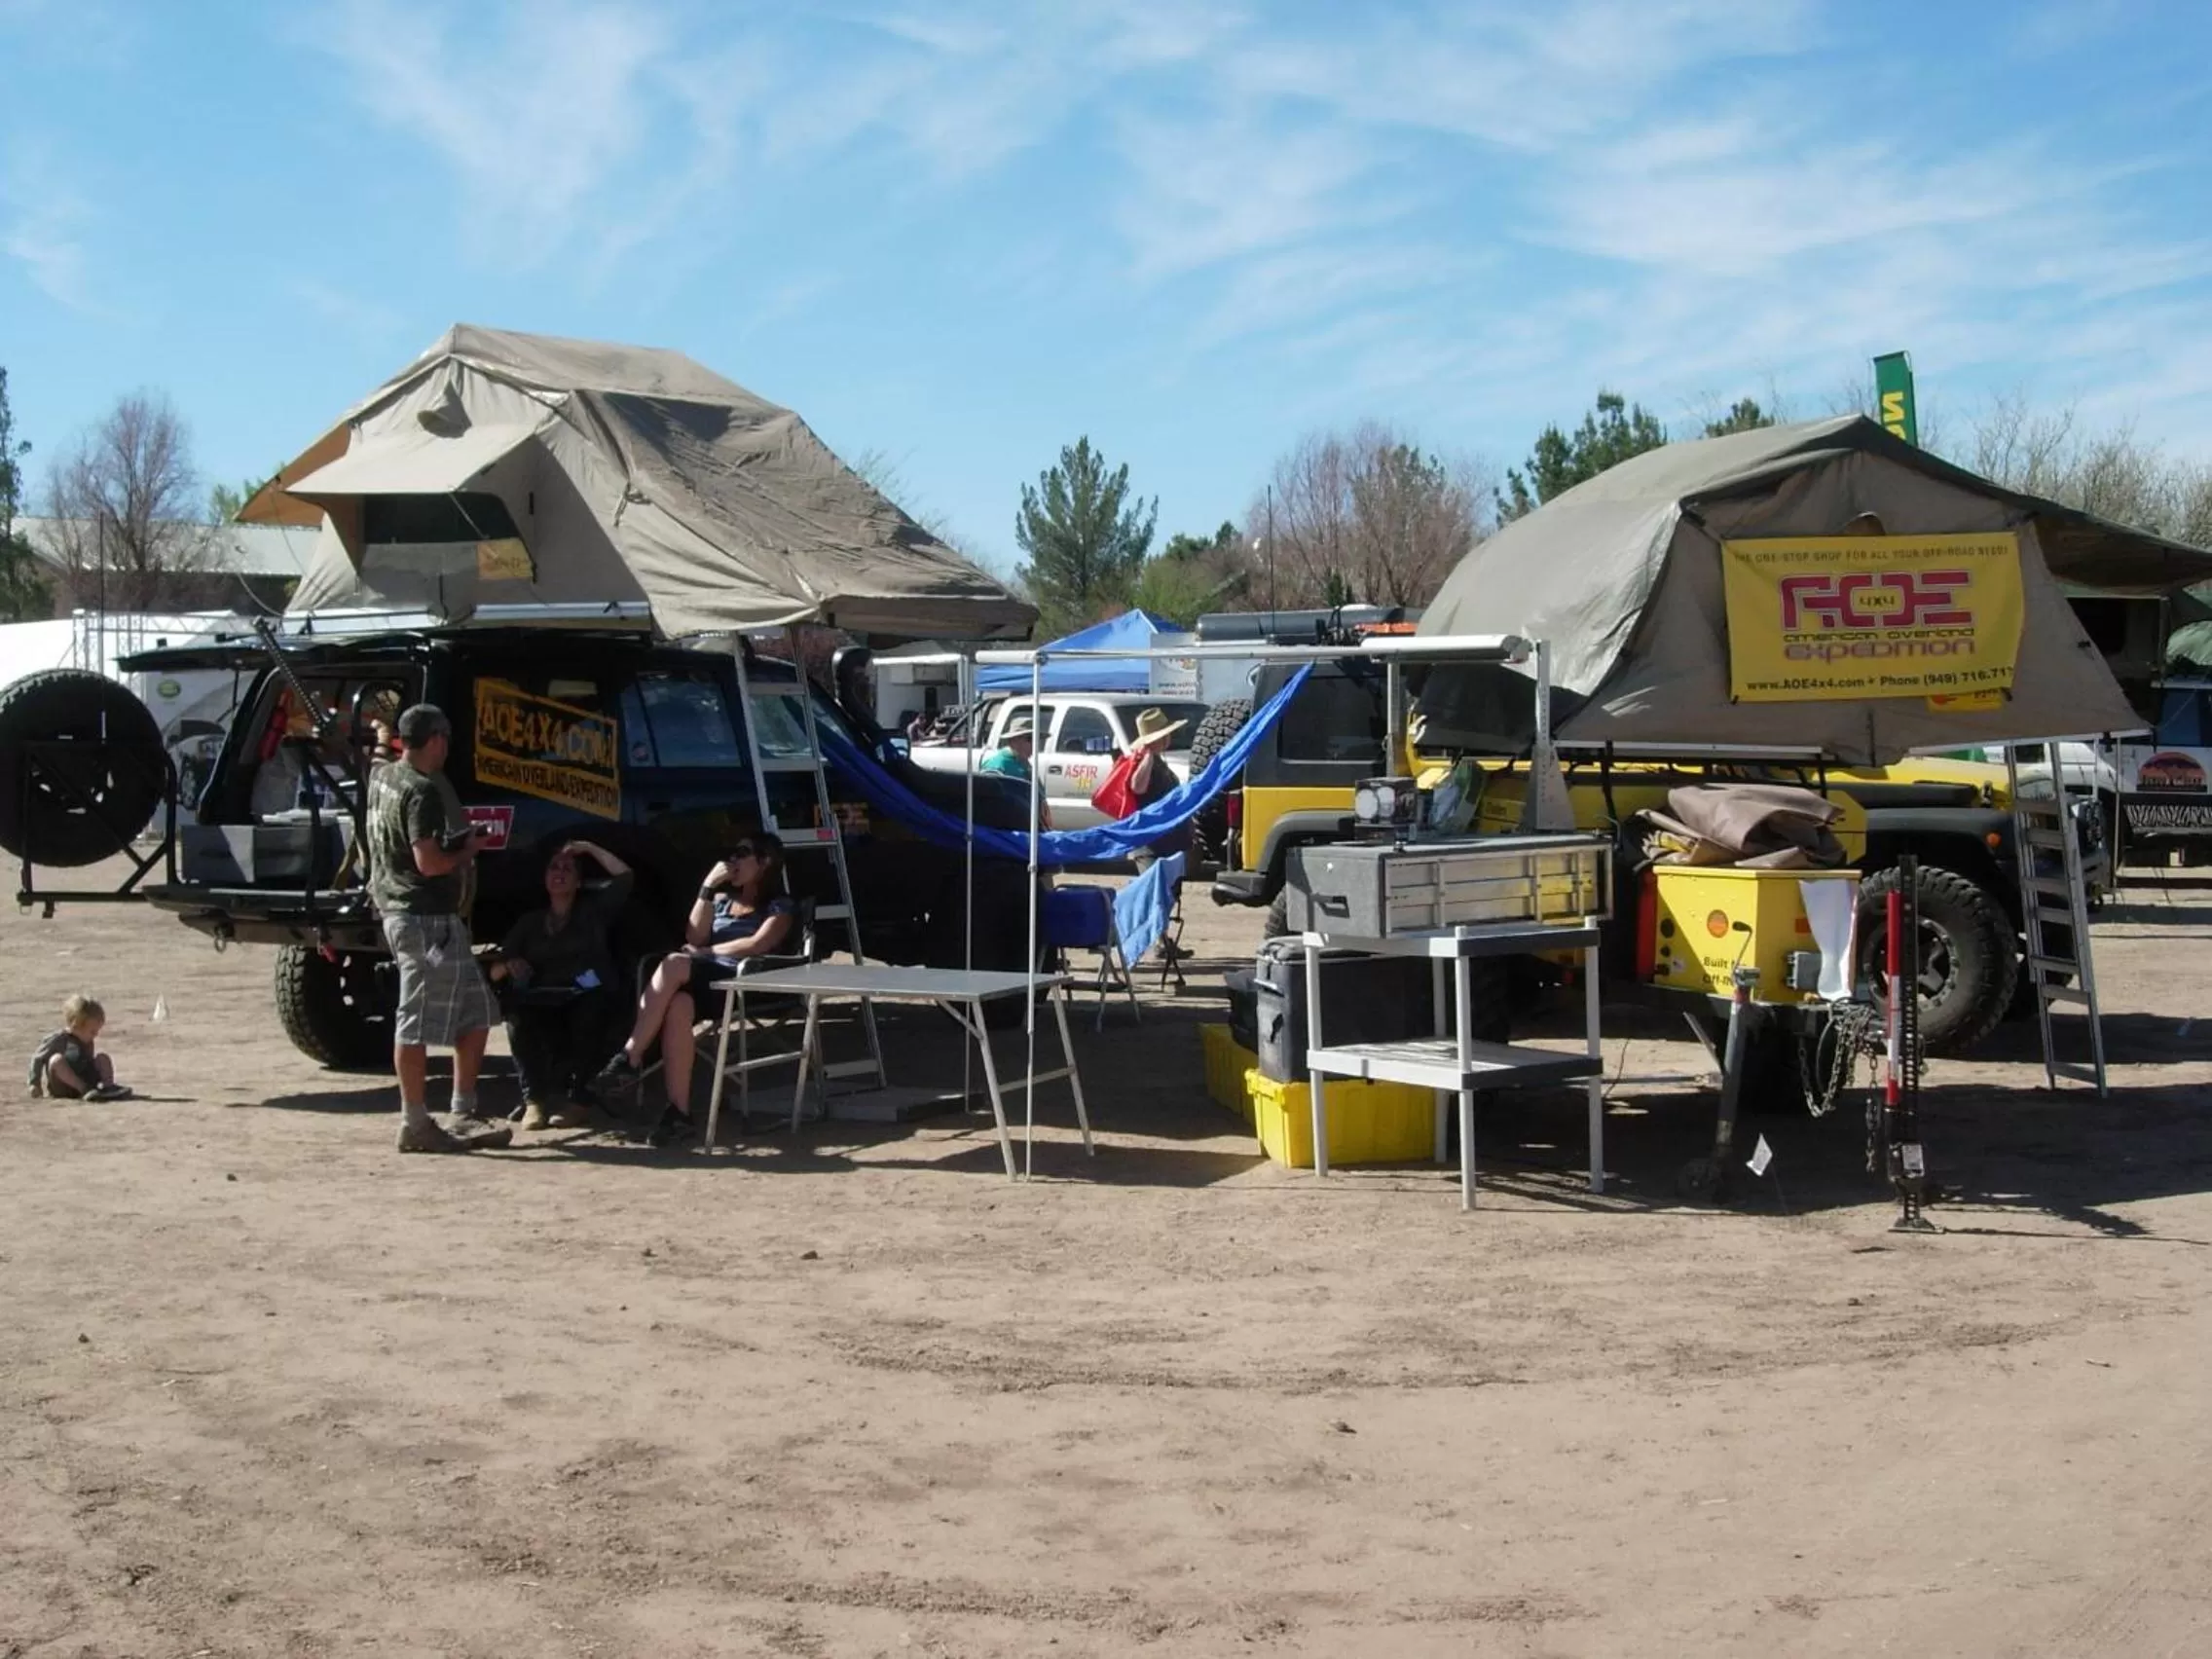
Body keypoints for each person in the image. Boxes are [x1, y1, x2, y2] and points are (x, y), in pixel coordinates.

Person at [365, 703, 511, 1154]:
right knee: (415, 1018)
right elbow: (428, 863)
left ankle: (463, 1109)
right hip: (422, 917)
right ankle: (414, 1121)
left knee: (478, 1011)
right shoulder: (422, 790)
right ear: (436, 739)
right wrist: (468, 852)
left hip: (411, 911)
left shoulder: (384, 777)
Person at [591, 834, 796, 1147]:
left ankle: (630, 1057)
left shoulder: (779, 905)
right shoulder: (725, 900)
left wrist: (707, 954)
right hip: (711, 982)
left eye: (742, 853)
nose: (732, 861)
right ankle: (679, 1113)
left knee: (675, 961)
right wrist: (707, 889)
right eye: (732, 853)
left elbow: (759, 944)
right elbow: (694, 935)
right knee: (679, 1006)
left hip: (747, 983)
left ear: (765, 861)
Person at [489, 839, 634, 1131]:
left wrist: (590, 849)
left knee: (590, 1014)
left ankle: (579, 1102)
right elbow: (493, 972)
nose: (560, 872)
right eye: (554, 867)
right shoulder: (529, 922)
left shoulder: (593, 912)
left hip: (586, 994)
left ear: (579, 881)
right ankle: (534, 1102)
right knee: (518, 1017)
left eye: (568, 869)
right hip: (544, 996)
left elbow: (626, 877)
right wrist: (509, 965)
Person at [1120, 707, 1192, 961]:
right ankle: (1152, 941)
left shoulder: (1161, 762)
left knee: (1168, 893)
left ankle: (1162, 940)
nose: (1169, 739)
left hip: (1168, 840)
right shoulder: (1144, 760)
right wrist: (1148, 754)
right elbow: (1137, 787)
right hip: (1150, 842)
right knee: (1155, 893)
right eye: (1164, 735)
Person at [26, 993, 132, 1101]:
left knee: (102, 1057)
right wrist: (34, 1083)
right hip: (63, 1087)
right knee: (56, 1060)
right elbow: (37, 1058)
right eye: (92, 1031)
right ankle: (84, 1089)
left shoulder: (87, 1039)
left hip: (86, 1078)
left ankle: (109, 1087)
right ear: (76, 1025)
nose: (96, 1035)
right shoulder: (58, 1039)